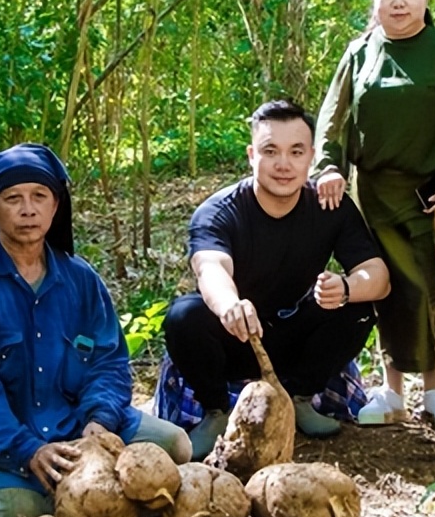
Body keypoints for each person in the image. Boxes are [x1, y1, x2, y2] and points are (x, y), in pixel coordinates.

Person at [0, 143, 191, 517]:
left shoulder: (81, 279)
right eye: (12, 199)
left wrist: (100, 420)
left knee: (176, 446)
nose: (28, 210)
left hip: (80, 424)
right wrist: (28, 449)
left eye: (40, 197)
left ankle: (98, 500)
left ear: (56, 206)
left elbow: (108, 361)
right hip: (8, 441)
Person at [313, 0, 435, 431]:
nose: (399, 2)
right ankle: (390, 392)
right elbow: (333, 117)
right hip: (373, 195)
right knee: (385, 288)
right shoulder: (359, 52)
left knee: (428, 287)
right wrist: (329, 167)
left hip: (432, 196)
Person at [162, 100, 390, 460]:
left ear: (311, 157)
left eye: (296, 152)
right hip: (235, 338)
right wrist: (229, 306)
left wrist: (346, 287)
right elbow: (210, 268)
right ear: (252, 155)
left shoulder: (329, 206)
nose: (284, 164)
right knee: (183, 317)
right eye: (271, 151)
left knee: (357, 308)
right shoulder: (219, 210)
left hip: (295, 342)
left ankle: (301, 398)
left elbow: (378, 277)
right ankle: (216, 412)